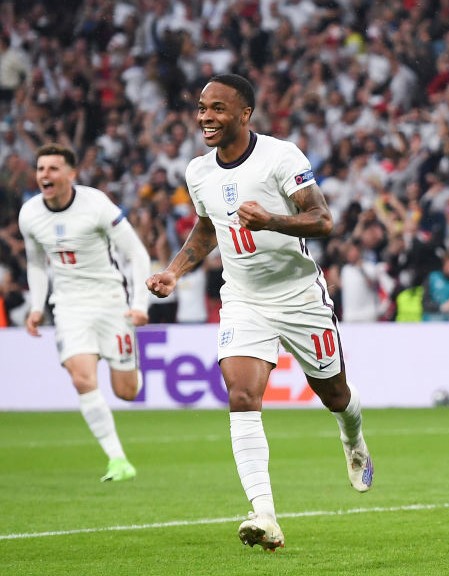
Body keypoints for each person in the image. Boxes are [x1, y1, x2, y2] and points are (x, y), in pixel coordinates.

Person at [146, 74, 372, 552]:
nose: (206, 117)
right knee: (242, 395)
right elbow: (207, 229)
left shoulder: (281, 157)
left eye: (218, 109)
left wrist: (272, 220)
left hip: (299, 296)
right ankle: (264, 515)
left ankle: (352, 435)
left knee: (334, 394)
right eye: (203, 107)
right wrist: (174, 271)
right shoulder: (199, 171)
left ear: (244, 114)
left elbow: (324, 220)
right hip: (244, 299)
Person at [19, 143, 150, 482]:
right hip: (69, 306)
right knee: (81, 378)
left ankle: (131, 362)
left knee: (127, 391)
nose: (44, 175)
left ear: (71, 174)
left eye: (52, 168)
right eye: (40, 168)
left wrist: (139, 304)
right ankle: (118, 461)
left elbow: (136, 254)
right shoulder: (30, 214)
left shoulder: (96, 205)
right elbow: (36, 262)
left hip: (110, 302)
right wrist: (37, 307)